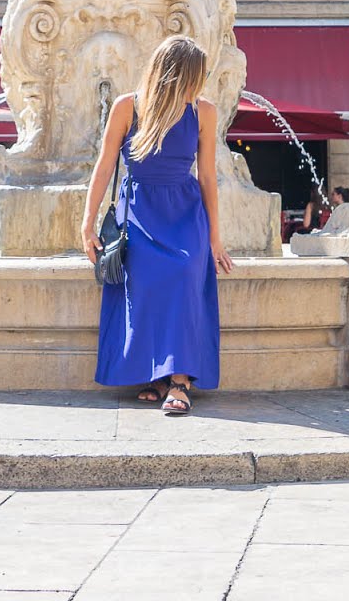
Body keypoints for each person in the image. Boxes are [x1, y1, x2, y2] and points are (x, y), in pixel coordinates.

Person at [82, 35, 232, 416]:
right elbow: (103, 168)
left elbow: (208, 178)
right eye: (199, 73)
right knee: (144, 281)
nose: (202, 81)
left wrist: (214, 239)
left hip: (184, 211)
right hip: (139, 210)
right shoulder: (127, 107)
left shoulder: (204, 112)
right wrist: (86, 224)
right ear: (180, 74)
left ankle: (179, 380)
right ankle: (157, 375)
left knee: (184, 274)